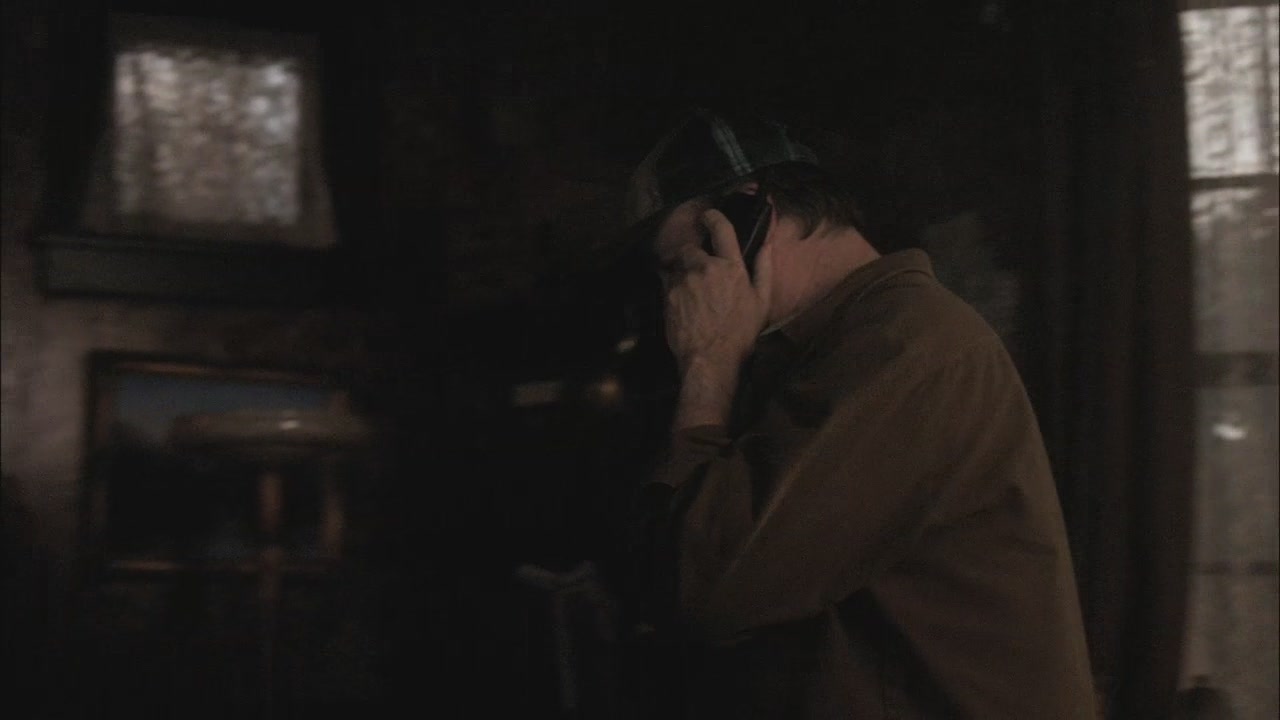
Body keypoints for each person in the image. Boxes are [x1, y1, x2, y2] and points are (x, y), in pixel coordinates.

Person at [620, 108, 1098, 718]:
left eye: (680, 268)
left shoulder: (905, 348)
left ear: (749, 219)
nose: (675, 303)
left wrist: (707, 366)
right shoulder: (827, 347)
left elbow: (703, 586)